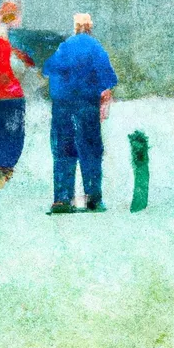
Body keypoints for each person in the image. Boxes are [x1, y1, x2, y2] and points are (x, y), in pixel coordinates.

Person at [42, 13, 118, 214]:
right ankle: (93, 198)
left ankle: (62, 199)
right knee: (91, 150)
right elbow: (107, 80)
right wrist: (104, 102)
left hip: (62, 105)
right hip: (87, 105)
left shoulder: (64, 47)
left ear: (75, 27)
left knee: (63, 150)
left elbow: (48, 69)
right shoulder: (95, 47)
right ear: (90, 27)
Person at [0, 1, 34, 187]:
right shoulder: (0, 41)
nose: (21, 19)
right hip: (10, 96)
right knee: (13, 133)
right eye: (19, 15)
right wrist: (22, 68)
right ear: (12, 16)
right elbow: (5, 72)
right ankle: (5, 171)